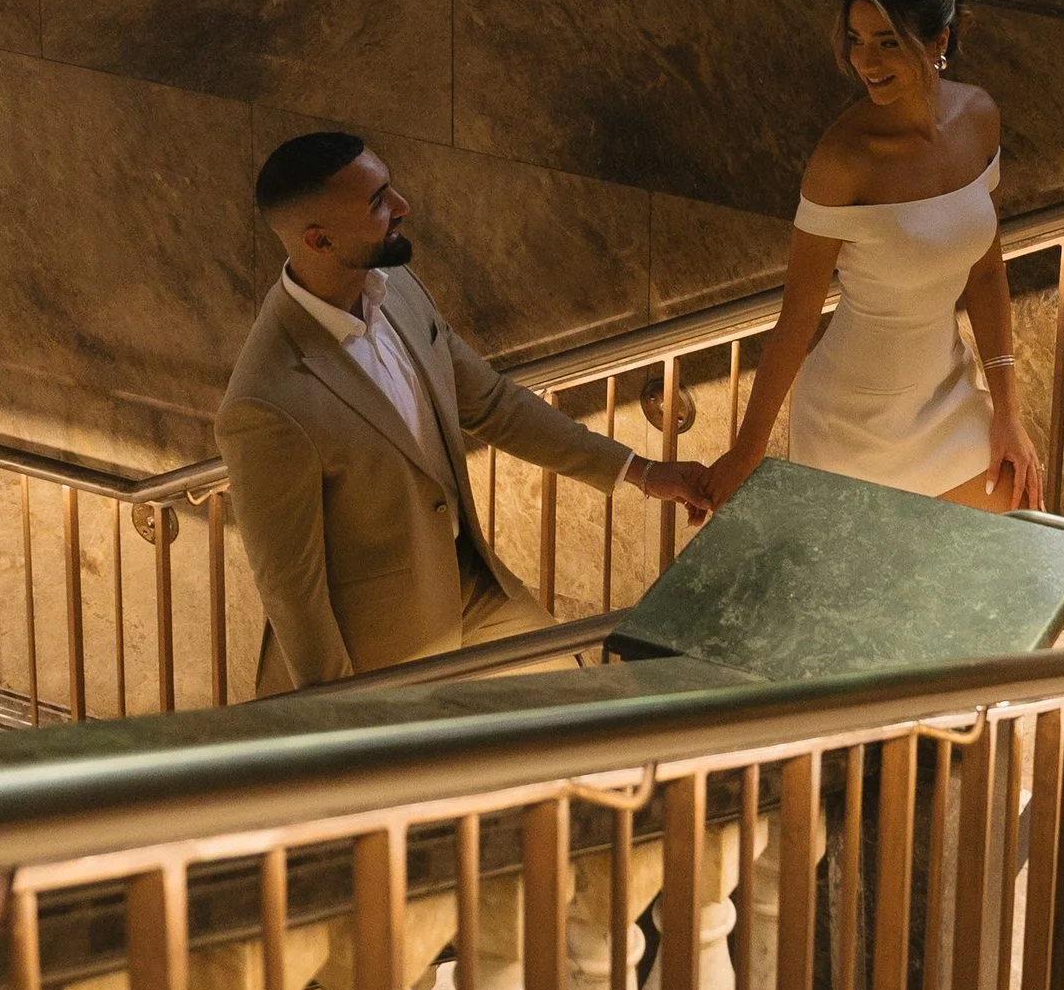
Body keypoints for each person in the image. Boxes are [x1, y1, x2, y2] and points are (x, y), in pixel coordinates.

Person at [219, 129, 715, 691]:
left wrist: (643, 473)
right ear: (321, 240)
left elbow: (493, 404)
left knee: (578, 701)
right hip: (382, 649)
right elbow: (292, 589)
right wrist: (341, 713)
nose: (403, 206)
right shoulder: (265, 403)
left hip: (472, 586)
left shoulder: (396, 285)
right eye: (378, 201)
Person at [706, 0, 1043, 512]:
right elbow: (798, 315)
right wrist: (747, 450)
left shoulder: (978, 117)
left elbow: (986, 273)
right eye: (857, 39)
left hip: (948, 394)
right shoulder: (842, 161)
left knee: (1018, 511)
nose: (867, 61)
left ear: (938, 41)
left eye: (887, 42)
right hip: (850, 419)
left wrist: (1007, 412)